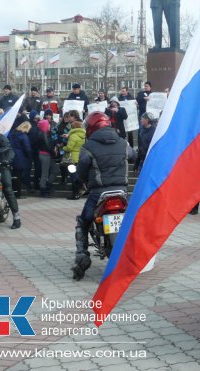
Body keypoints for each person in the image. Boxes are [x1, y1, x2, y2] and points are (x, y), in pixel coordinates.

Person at [72, 112, 134, 280]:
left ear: (91, 127)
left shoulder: (88, 147)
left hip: (99, 192)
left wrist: (79, 181)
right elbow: (133, 155)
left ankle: (82, 256)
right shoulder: (123, 143)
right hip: (122, 192)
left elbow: (81, 170)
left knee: (83, 222)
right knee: (134, 222)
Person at [62, 121, 85, 200]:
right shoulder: (83, 135)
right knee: (76, 175)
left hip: (72, 159)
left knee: (73, 177)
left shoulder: (73, 136)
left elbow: (69, 148)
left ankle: (75, 194)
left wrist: (63, 148)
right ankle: (79, 191)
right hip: (79, 158)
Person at [9, 121, 33, 200]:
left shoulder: (12, 134)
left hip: (11, 156)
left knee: (13, 176)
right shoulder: (23, 136)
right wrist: (29, 156)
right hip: (20, 158)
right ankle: (18, 194)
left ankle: (12, 193)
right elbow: (27, 149)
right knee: (18, 177)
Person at [35, 118, 57, 198]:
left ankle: (47, 185)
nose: (49, 126)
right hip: (45, 155)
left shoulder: (44, 133)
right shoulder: (43, 134)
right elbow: (47, 146)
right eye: (48, 125)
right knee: (45, 173)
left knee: (53, 170)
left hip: (45, 154)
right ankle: (43, 190)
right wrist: (53, 151)